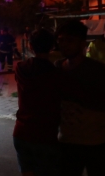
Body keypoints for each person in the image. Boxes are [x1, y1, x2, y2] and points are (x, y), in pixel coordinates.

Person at [55, 20, 105, 176]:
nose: (64, 44)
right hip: (66, 141)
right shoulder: (57, 67)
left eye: (70, 40)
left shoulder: (97, 70)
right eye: (61, 40)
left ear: (83, 43)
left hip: (95, 142)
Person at [12, 29, 61, 176]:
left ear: (31, 47)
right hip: (46, 134)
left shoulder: (21, 68)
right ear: (52, 47)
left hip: (22, 131)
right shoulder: (56, 73)